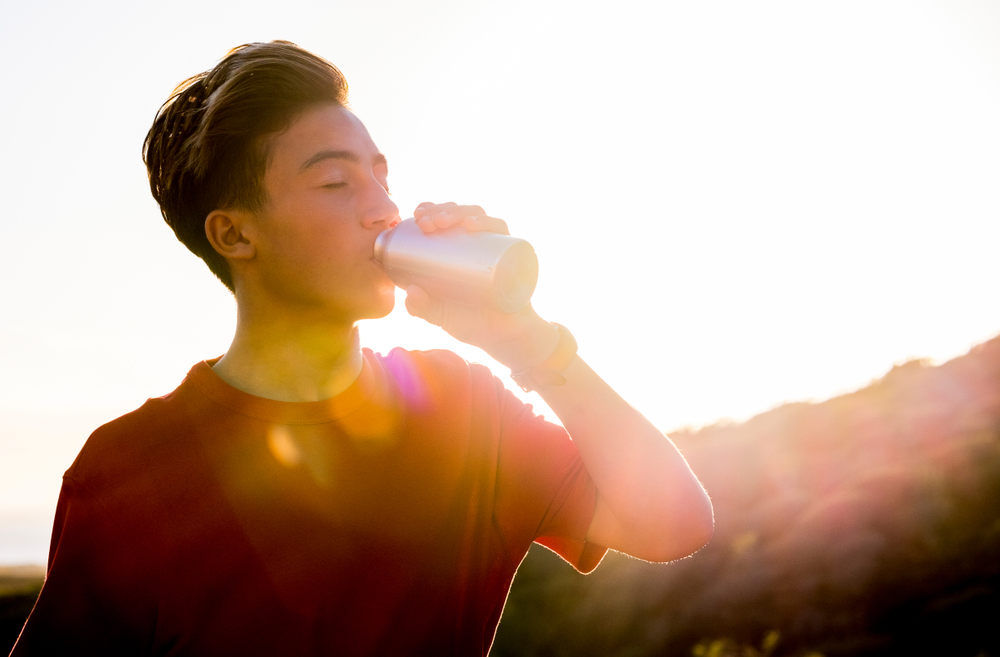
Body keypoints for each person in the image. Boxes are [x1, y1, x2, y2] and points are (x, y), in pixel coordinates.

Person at [10, 41, 713, 656]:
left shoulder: (462, 409)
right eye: (336, 181)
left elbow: (673, 523)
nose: (383, 207)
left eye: (381, 174)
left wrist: (523, 339)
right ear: (234, 235)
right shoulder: (127, 474)